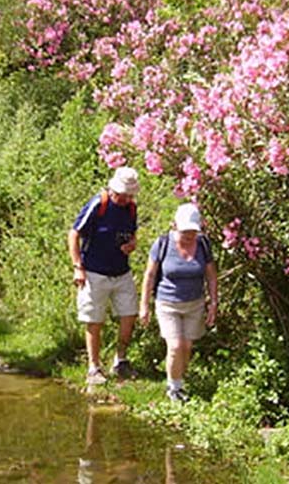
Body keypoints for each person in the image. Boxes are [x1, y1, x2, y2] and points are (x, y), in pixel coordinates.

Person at [138, 203, 219, 403]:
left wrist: (214, 303)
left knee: (187, 346)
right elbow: (149, 275)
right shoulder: (163, 243)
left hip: (195, 304)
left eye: (193, 231)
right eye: (185, 231)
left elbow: (211, 276)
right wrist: (144, 305)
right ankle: (174, 388)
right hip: (167, 303)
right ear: (174, 226)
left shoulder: (203, 244)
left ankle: (179, 380)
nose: (190, 235)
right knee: (175, 346)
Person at [68, 166, 140, 386]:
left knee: (129, 314)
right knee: (93, 319)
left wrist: (132, 244)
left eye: (129, 195)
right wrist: (77, 266)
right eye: (122, 195)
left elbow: (133, 233)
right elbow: (74, 233)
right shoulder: (98, 204)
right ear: (113, 189)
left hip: (122, 271)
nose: (125, 199)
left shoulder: (131, 208)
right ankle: (94, 367)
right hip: (94, 272)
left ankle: (120, 360)